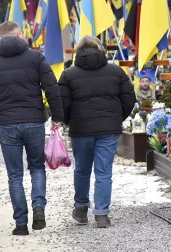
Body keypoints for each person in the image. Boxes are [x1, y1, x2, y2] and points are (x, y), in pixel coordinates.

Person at [0, 21, 63, 236]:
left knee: (14, 175)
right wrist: (57, 116)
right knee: (37, 168)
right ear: (19, 35)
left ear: (1, 37)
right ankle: (39, 206)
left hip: (8, 124)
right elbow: (51, 87)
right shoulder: (35, 57)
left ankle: (21, 223)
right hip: (33, 120)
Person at [58, 36, 135, 228]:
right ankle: (101, 214)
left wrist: (69, 121)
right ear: (100, 50)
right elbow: (129, 99)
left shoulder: (68, 74)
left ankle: (81, 209)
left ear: (78, 51)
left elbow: (62, 104)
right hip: (109, 129)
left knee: (82, 170)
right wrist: (117, 118)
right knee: (104, 171)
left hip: (80, 129)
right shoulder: (116, 71)